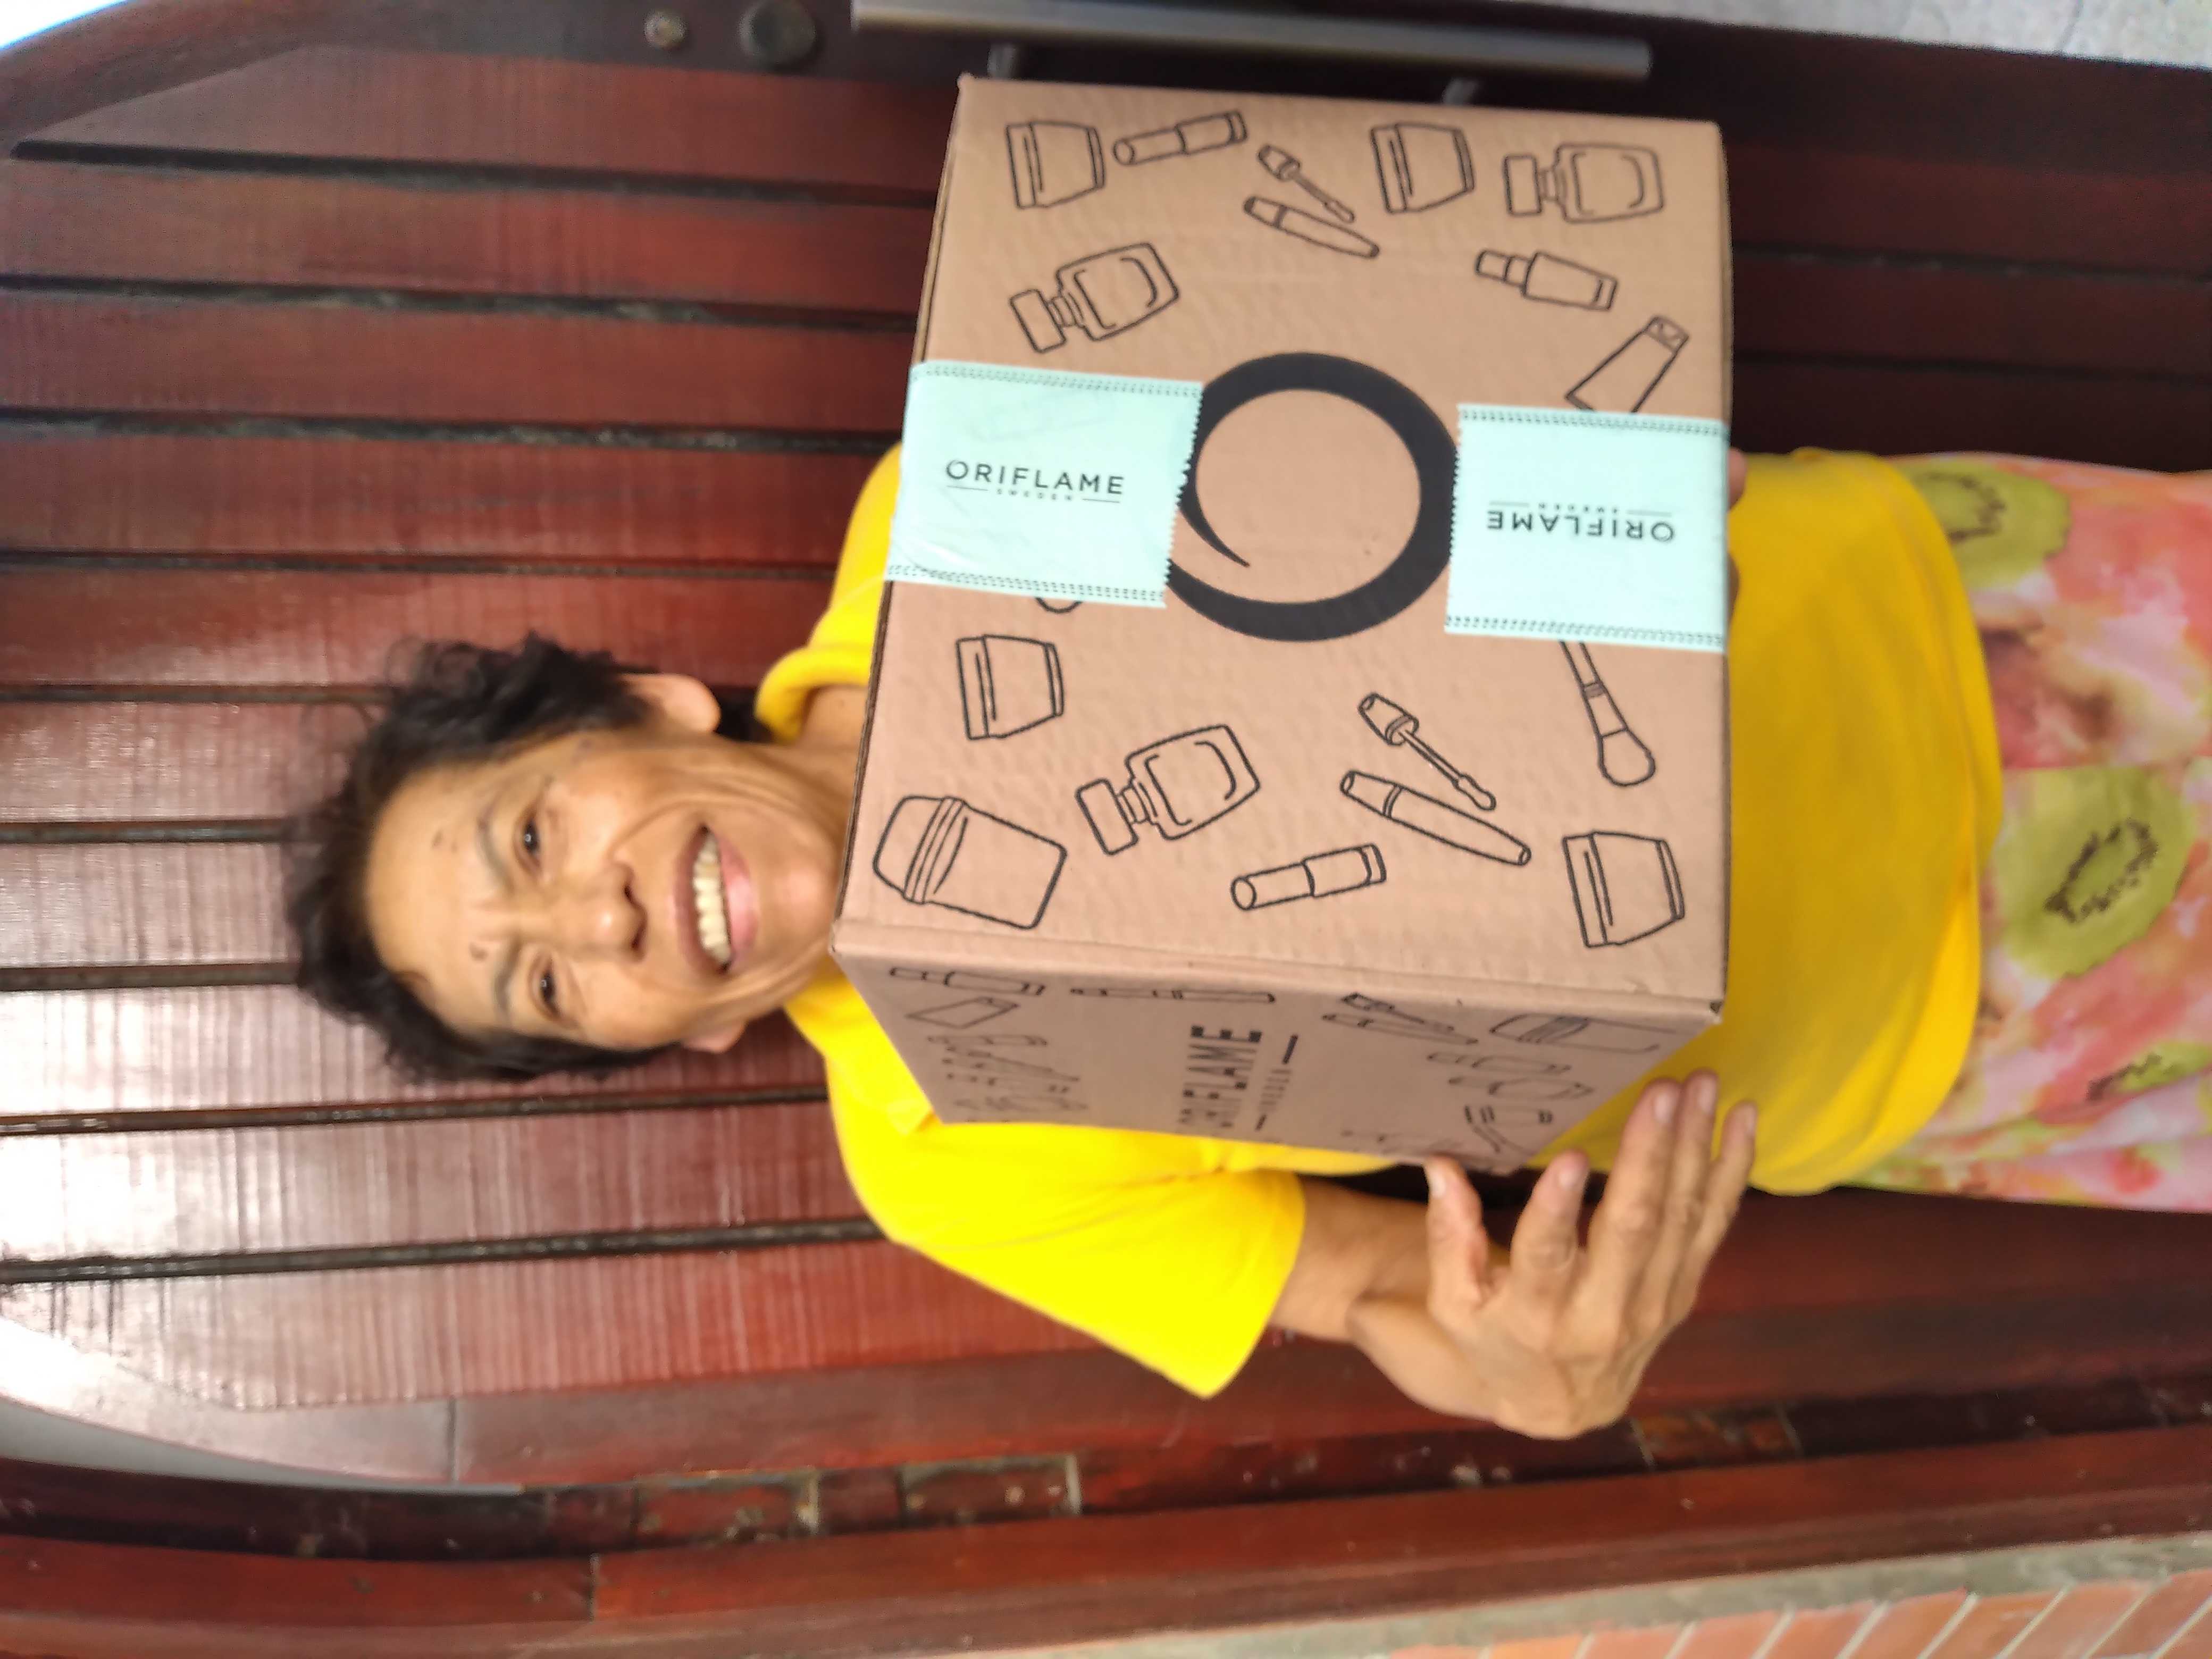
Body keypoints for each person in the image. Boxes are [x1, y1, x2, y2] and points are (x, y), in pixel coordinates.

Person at [287, 446, 2212, 1438]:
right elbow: (1375, 1295)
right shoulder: (947, 1160)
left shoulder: (950, 508)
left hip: (1954, 602)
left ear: (644, 708)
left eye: (532, 837)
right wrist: (1529, 1376)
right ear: (674, 1038)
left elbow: (1398, 406)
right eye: (550, 981)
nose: (599, 912)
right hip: (1989, 1042)